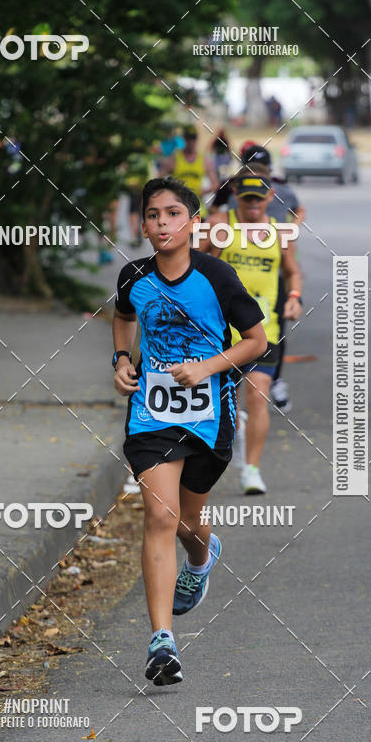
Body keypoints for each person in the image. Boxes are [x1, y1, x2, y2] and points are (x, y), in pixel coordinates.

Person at [113, 176, 266, 685]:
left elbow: (256, 341)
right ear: (143, 225)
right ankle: (162, 641)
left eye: (173, 214)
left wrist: (206, 367)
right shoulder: (134, 276)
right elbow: (123, 316)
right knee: (159, 515)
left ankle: (201, 558)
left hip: (208, 416)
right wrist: (121, 360)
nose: (163, 224)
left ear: (193, 222)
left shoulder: (216, 277)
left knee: (188, 522)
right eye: (153, 215)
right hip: (151, 415)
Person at [199, 166, 303, 494]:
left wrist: (294, 297)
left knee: (258, 395)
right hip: (220, 332)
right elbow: (189, 264)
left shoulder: (279, 232)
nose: (253, 204)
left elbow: (292, 271)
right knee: (220, 401)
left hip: (263, 331)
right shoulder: (219, 225)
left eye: (259, 198)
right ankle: (230, 431)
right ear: (236, 196)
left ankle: (252, 471)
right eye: (247, 198)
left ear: (271, 196)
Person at [242, 144, 305, 413]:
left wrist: (290, 230)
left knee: (275, 327)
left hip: (273, 270)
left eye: (263, 169)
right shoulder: (231, 192)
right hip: (236, 276)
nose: (253, 199)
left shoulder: (281, 191)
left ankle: (274, 378)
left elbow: (300, 210)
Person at [161, 126, 218, 214]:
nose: (191, 142)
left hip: (197, 209)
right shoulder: (175, 158)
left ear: (197, 139)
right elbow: (158, 180)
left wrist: (204, 191)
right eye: (189, 138)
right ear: (184, 139)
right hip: (177, 209)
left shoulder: (203, 160)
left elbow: (215, 184)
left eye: (193, 139)